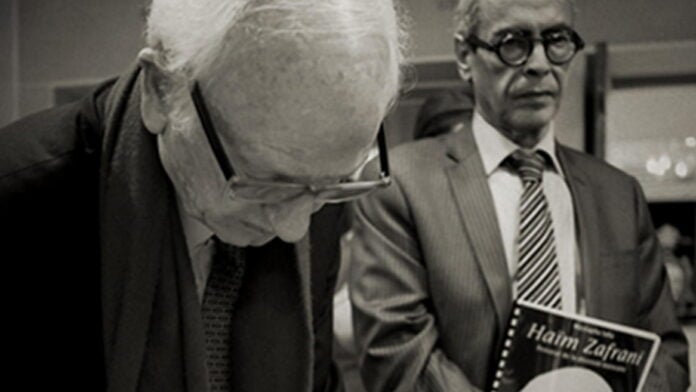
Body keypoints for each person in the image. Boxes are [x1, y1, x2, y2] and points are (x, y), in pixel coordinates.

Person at [0, 0, 406, 390]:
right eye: (261, 182)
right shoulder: (21, 202)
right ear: (160, 90)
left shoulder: (312, 192)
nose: (293, 227)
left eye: (331, 184)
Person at [348, 0, 690, 391]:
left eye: (557, 40)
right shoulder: (405, 184)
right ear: (464, 55)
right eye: (513, 43)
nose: (540, 64)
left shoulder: (618, 194)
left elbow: (666, 352)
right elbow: (397, 354)